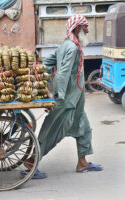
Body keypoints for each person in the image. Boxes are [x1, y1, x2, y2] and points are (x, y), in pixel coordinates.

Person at [21, 15, 102, 179]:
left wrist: (38, 75)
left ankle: (82, 162)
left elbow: (48, 63)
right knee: (52, 132)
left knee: (84, 128)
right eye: (85, 28)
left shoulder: (66, 45)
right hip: (67, 99)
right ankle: (31, 161)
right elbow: (63, 73)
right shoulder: (71, 48)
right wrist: (58, 95)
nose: (87, 31)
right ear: (77, 29)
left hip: (76, 99)